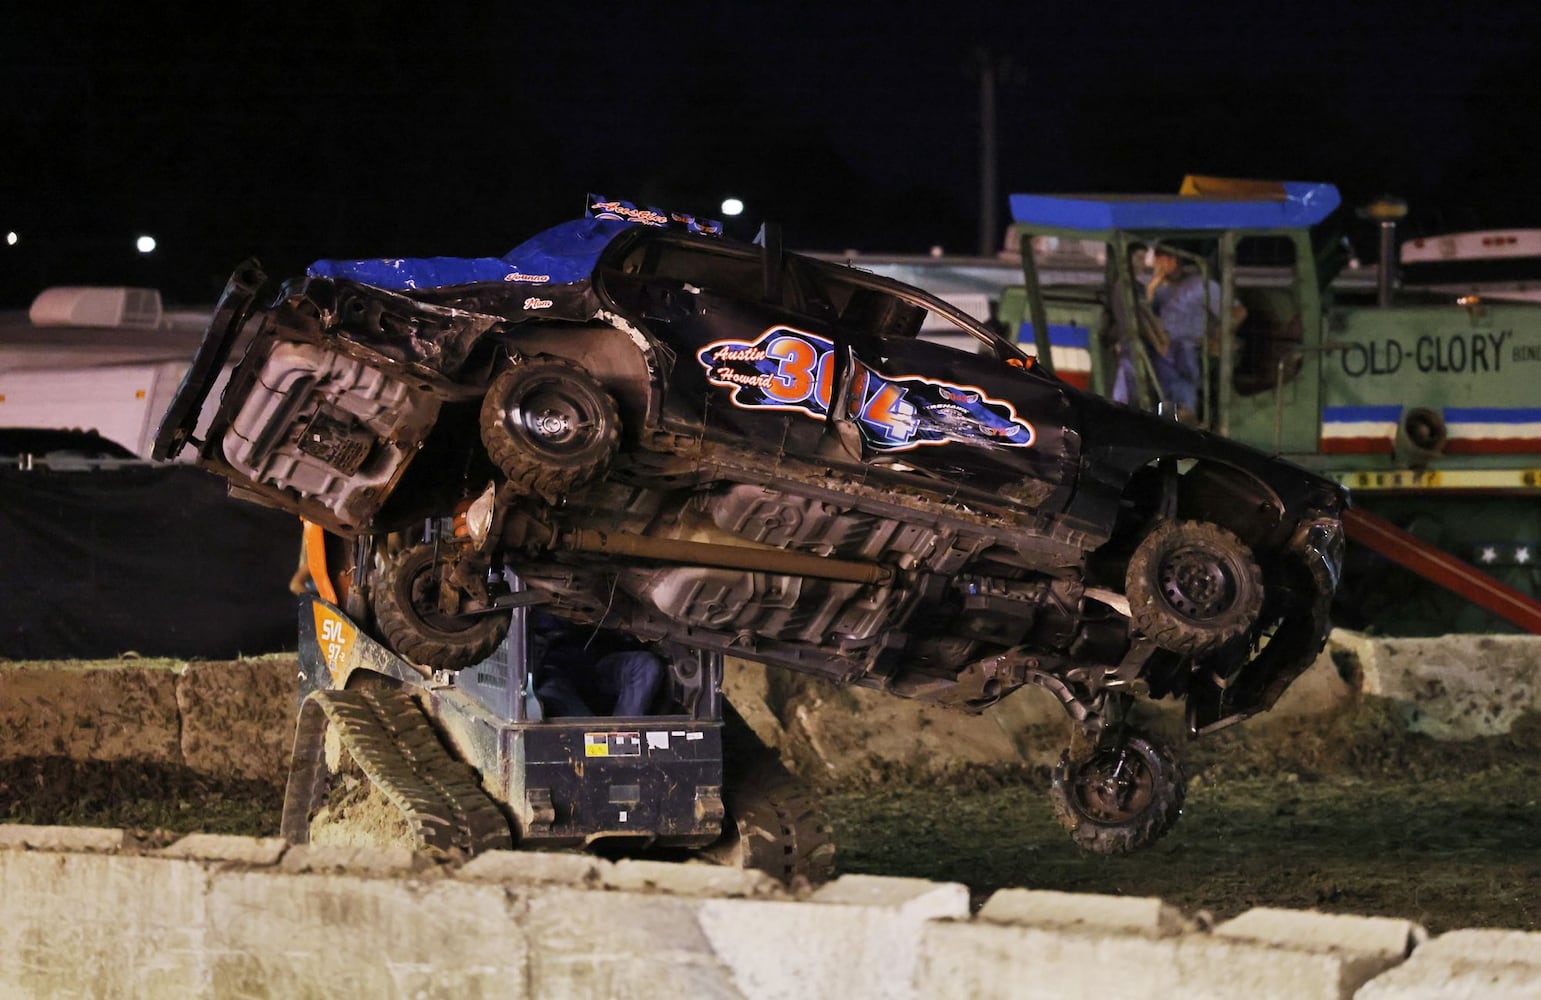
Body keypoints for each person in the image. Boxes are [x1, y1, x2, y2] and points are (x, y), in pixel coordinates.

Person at [1145, 244, 1245, 422]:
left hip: (1190, 346)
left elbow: (1237, 311)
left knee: (1183, 376)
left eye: (1170, 260)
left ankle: (1186, 416)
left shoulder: (1200, 284)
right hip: (1161, 347)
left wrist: (1217, 336)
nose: (1166, 266)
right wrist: (1151, 289)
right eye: (1161, 261)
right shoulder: (1159, 290)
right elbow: (1146, 315)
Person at [528, 611, 665, 718]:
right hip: (554, 678)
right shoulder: (528, 605)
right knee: (552, 695)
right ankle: (605, 744)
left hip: (593, 668)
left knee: (645, 665)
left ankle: (622, 734)